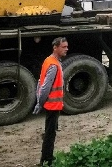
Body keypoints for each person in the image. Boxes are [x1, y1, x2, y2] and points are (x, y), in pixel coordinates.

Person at [33, 37, 69, 166]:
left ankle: (47, 158)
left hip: (53, 104)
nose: (66, 49)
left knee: (51, 132)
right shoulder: (53, 65)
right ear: (55, 47)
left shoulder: (49, 61)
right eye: (63, 47)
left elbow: (39, 82)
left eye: (66, 46)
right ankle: (46, 160)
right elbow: (45, 87)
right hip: (52, 105)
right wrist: (39, 103)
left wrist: (39, 101)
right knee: (50, 134)